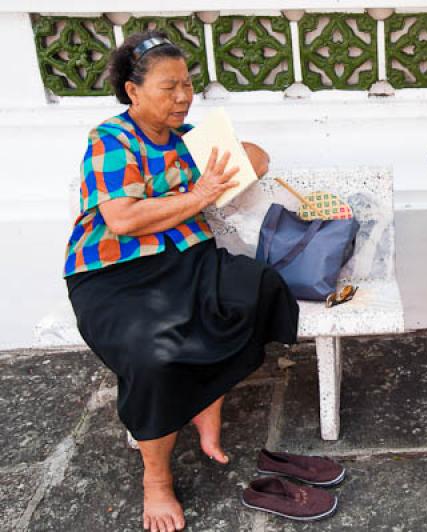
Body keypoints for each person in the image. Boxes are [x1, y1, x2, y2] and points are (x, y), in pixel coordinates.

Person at [63, 32, 341, 531]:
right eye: (169, 86)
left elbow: (256, 158)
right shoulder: (111, 138)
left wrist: (213, 166)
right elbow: (123, 218)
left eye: (187, 84)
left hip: (187, 260)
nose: (183, 96)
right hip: (114, 273)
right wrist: (199, 195)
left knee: (254, 289)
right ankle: (157, 480)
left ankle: (205, 408)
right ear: (133, 91)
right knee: (152, 354)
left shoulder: (189, 141)